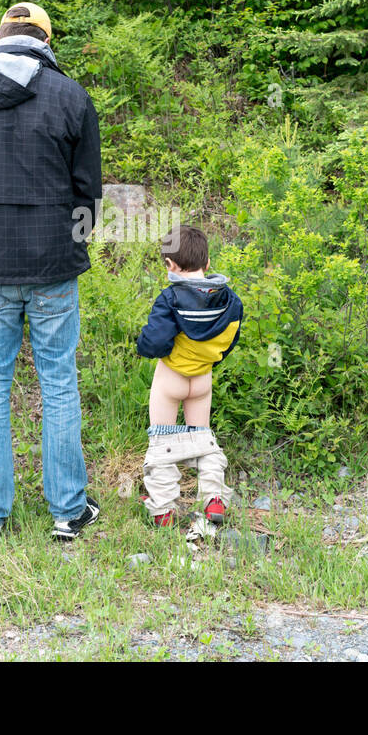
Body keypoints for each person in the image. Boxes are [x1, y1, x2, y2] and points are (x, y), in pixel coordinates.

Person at [0, 1, 102, 540]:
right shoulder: (71, 96)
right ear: (46, 42)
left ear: (0, 36)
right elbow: (89, 194)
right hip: (54, 264)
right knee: (58, 383)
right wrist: (66, 245)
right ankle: (68, 512)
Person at [135, 224, 242, 527]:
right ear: (207, 264)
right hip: (203, 379)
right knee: (201, 437)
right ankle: (214, 499)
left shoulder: (170, 299)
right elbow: (229, 339)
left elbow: (155, 341)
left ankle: (163, 507)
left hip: (172, 379)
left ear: (170, 265)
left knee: (162, 441)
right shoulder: (229, 300)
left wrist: (141, 345)